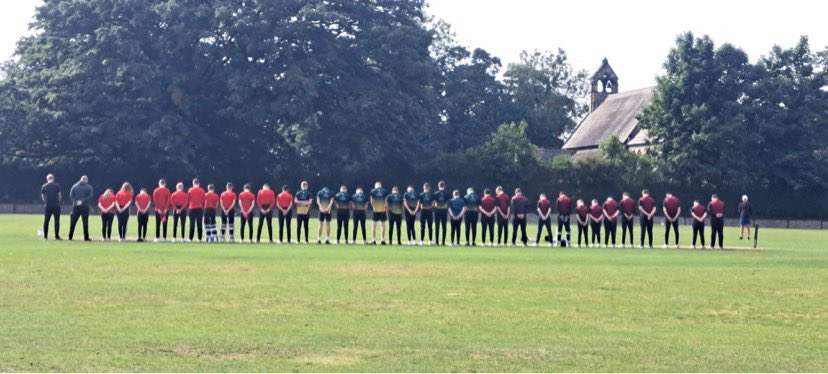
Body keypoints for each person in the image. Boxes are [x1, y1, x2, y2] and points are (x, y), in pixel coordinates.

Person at [68, 175, 94, 241]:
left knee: (73, 222)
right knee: (85, 222)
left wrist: (76, 201)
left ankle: (70, 236)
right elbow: (90, 196)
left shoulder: (74, 186)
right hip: (85, 206)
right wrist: (82, 201)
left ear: (81, 179)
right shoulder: (89, 187)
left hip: (76, 206)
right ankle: (86, 237)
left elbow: (71, 195)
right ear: (86, 180)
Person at [41, 174, 62, 240]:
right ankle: (56, 236)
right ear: (53, 178)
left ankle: (45, 237)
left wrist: (46, 202)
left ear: (47, 179)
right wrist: (57, 201)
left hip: (48, 206)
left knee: (46, 221)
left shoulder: (44, 186)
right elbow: (59, 195)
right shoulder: (57, 186)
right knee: (57, 221)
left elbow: (43, 196)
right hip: (56, 205)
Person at [433, 181, 451, 246]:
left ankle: (437, 242)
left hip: (437, 211)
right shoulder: (447, 193)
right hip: (444, 211)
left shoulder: (435, 193)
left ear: (438, 186)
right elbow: (448, 202)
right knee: (444, 226)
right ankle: (443, 242)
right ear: (444, 186)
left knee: (437, 226)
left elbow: (434, 202)